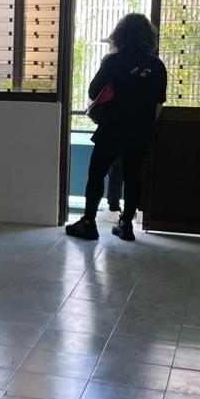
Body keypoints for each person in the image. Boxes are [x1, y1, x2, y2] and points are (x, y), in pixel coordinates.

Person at [66, 13, 167, 242]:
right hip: (140, 131)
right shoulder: (157, 66)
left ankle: (88, 223)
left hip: (111, 129)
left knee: (97, 174)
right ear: (149, 37)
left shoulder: (112, 61)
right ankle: (126, 224)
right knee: (133, 177)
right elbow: (158, 104)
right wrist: (145, 126)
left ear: (120, 35)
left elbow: (93, 91)